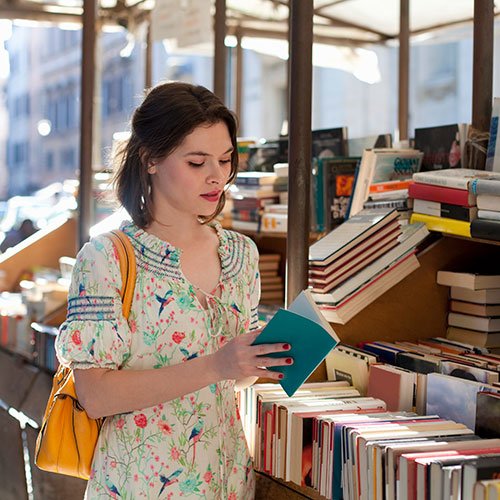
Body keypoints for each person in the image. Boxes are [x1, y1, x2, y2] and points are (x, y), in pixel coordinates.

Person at [55, 81, 292, 499]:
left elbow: (233, 382)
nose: (217, 176)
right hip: (137, 485)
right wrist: (217, 365)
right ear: (150, 160)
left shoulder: (242, 255)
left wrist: (255, 364)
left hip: (227, 480)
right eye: (197, 162)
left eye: (224, 159)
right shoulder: (107, 258)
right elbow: (95, 396)